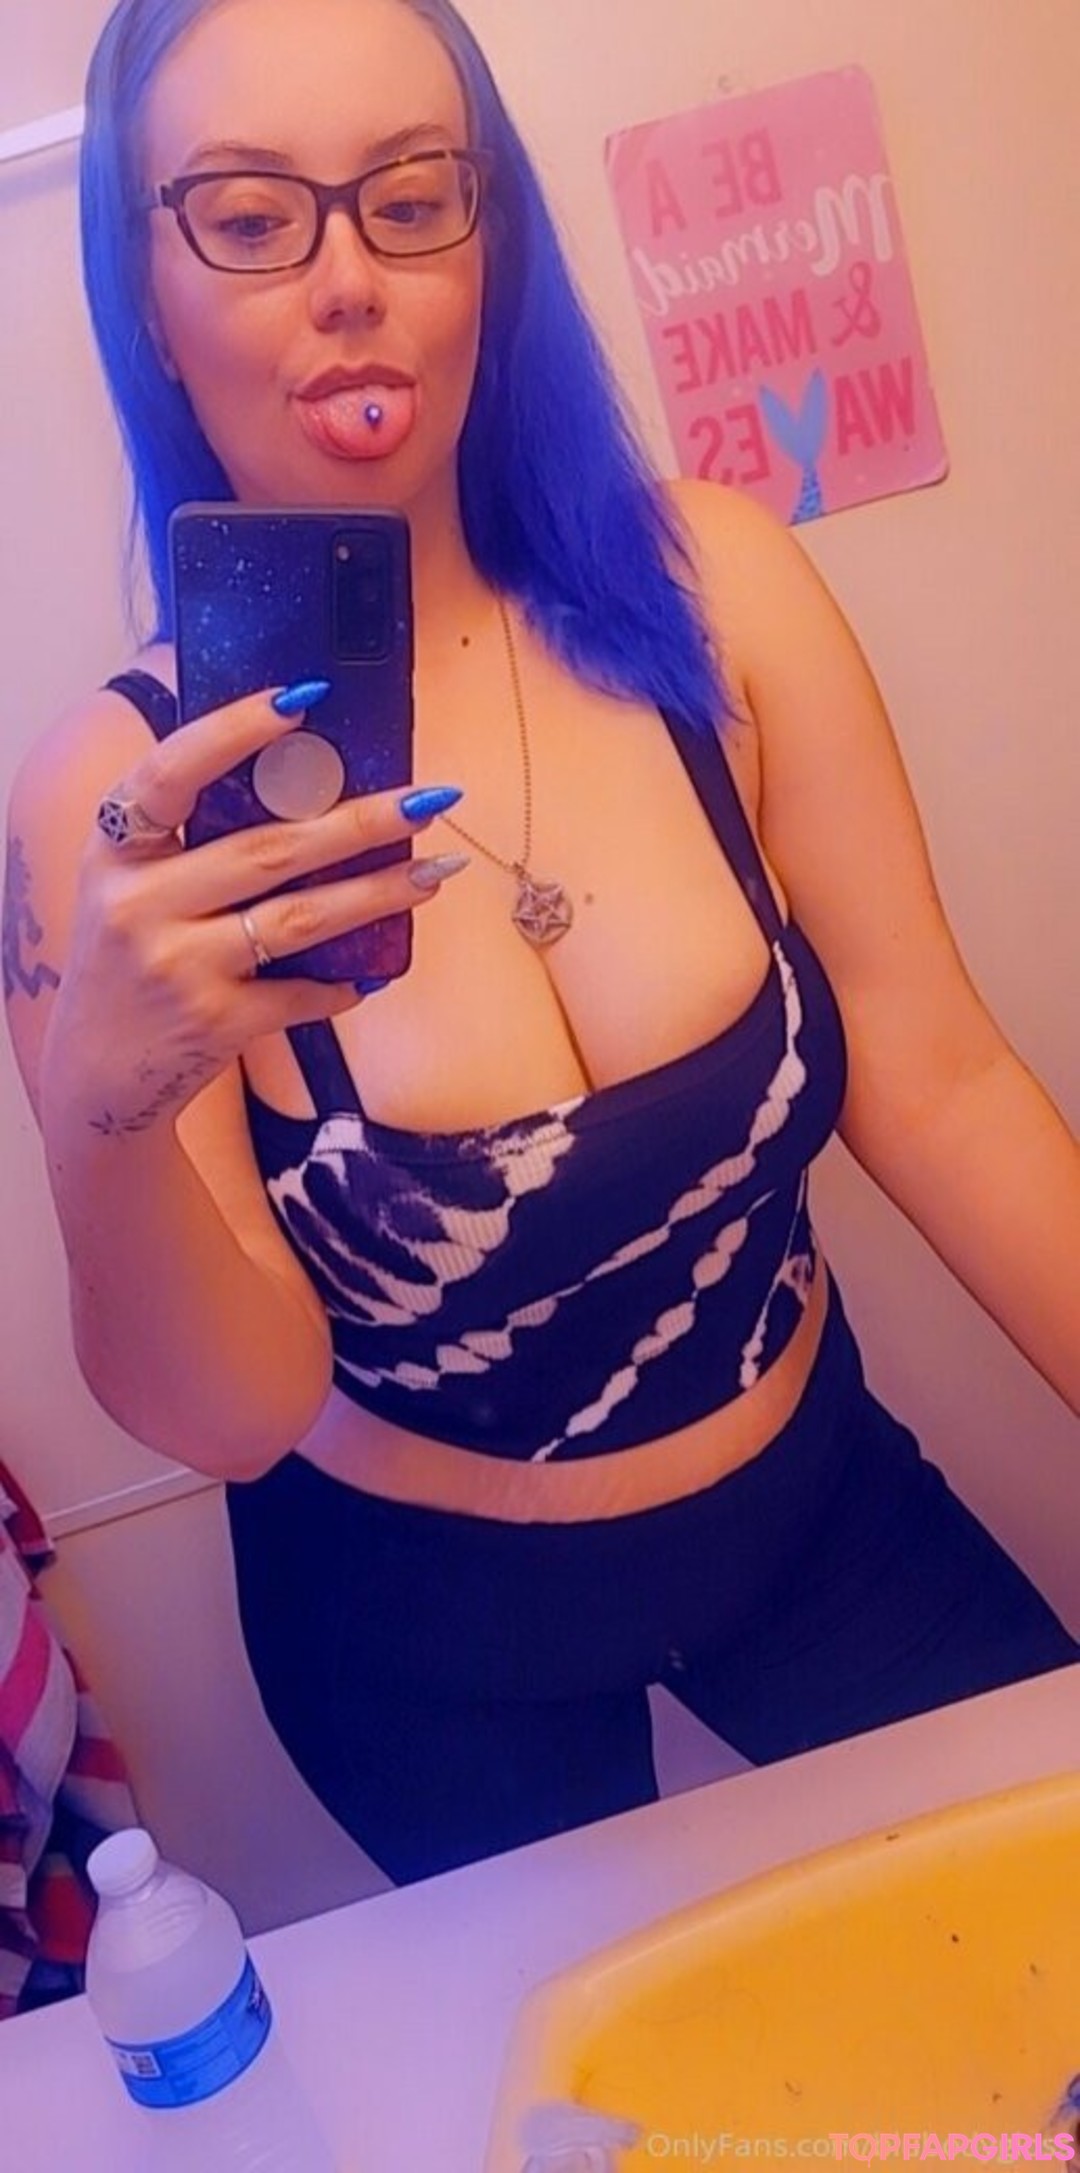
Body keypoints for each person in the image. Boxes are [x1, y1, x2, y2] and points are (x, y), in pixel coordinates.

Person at [5, 0, 1079, 1887]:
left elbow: (946, 1084)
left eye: (413, 195)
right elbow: (235, 1412)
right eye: (250, 217)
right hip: (423, 1636)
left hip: (811, 1501)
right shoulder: (119, 799)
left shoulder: (713, 588)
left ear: (487, 239)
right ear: (146, 287)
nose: (348, 277)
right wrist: (100, 1112)